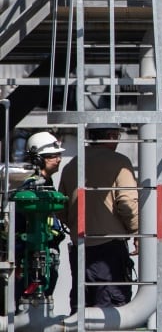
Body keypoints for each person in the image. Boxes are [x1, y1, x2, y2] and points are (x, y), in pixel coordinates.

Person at [58, 123, 139, 313]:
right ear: (110, 136)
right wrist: (137, 233)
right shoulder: (120, 163)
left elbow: (61, 207)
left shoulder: (72, 165)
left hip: (80, 248)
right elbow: (127, 204)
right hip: (110, 250)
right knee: (111, 313)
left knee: (82, 310)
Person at [11, 131, 68, 303]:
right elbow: (20, 220)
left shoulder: (46, 182)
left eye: (59, 155)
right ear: (38, 159)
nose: (58, 159)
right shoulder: (30, 185)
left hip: (43, 250)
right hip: (29, 254)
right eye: (53, 156)